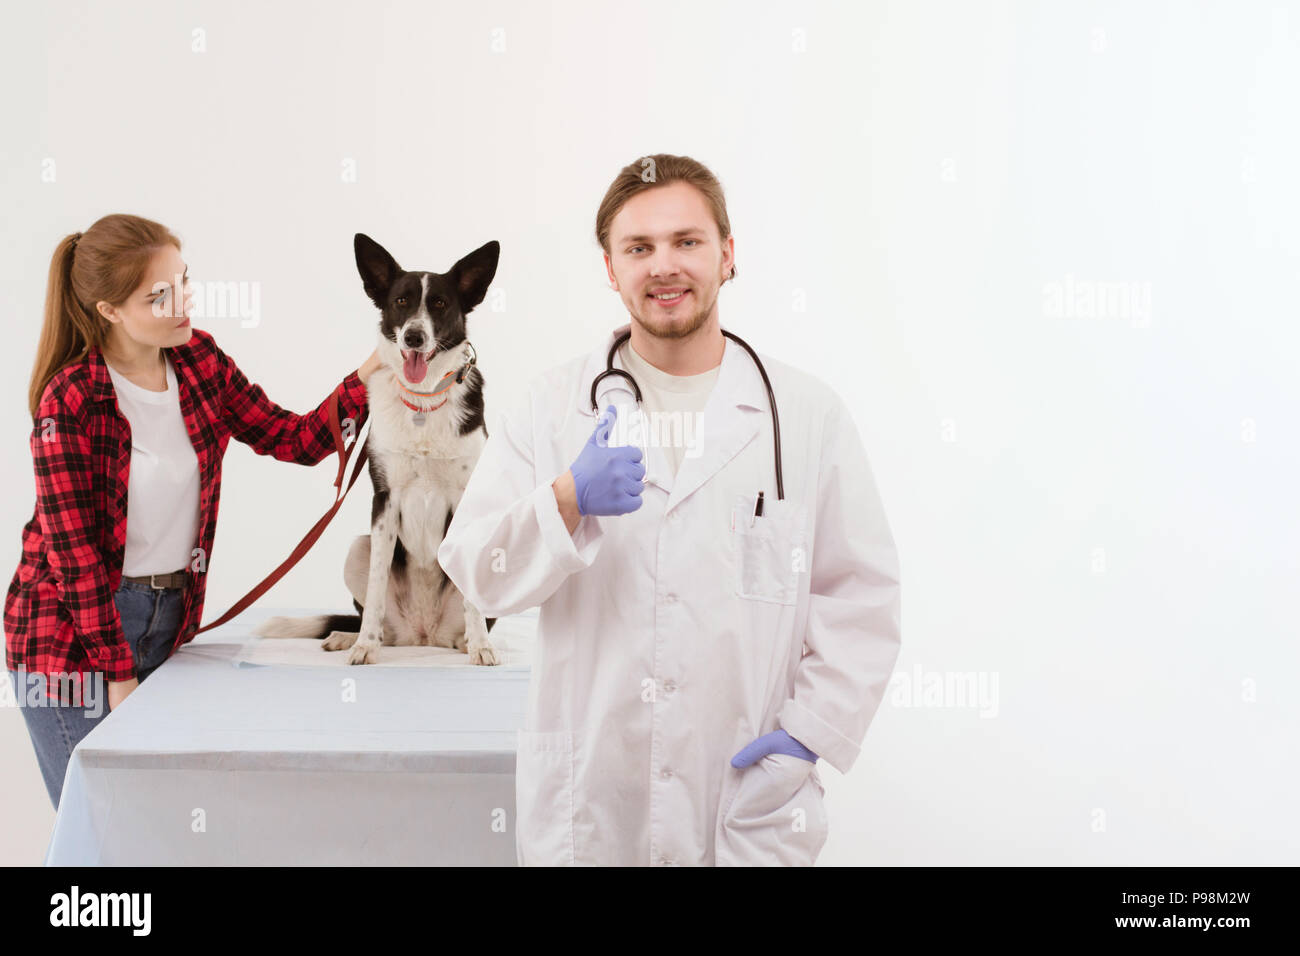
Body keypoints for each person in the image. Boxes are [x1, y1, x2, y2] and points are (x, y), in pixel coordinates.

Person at [437, 154, 902, 866]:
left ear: (728, 255)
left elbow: (860, 596)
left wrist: (811, 733)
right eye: (639, 247)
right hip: (592, 804)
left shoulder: (804, 416)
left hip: (742, 805)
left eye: (687, 241)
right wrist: (566, 500)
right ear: (610, 266)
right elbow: (475, 572)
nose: (665, 265)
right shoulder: (553, 406)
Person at [3, 213, 383, 810]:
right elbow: (73, 558)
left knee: (159, 826)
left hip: (168, 620)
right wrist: (119, 674)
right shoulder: (71, 398)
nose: (182, 302)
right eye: (159, 295)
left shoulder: (198, 360)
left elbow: (296, 439)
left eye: (183, 281)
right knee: (99, 830)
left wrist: (365, 379)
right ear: (109, 310)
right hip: (71, 643)